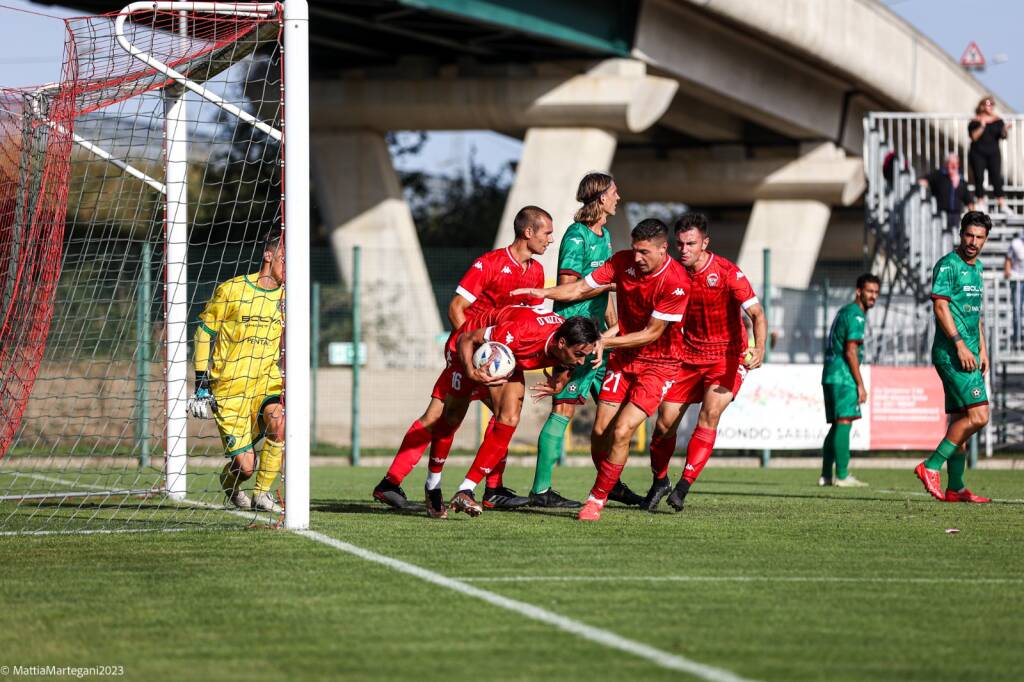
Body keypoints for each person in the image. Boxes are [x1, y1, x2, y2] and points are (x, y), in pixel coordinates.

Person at [372, 206, 552, 513]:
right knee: (469, 417)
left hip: (498, 356)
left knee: (456, 416)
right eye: (547, 232)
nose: (550, 239)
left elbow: (531, 316)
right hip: (468, 350)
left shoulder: (535, 272)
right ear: (528, 232)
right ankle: (484, 489)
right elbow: (457, 308)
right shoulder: (489, 263)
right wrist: (479, 348)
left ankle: (393, 482)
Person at [515, 219, 691, 522]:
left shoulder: (676, 281)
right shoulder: (622, 262)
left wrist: (603, 342)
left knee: (623, 431)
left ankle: (596, 498)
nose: (637, 258)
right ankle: (616, 485)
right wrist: (544, 293)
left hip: (659, 365)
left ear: (664, 249)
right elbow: (581, 288)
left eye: (645, 252)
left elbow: (651, 333)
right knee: (599, 433)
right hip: (624, 360)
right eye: (635, 250)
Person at [642, 213, 768, 512]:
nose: (684, 249)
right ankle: (661, 481)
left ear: (705, 243)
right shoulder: (673, 273)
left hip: (726, 356)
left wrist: (759, 347)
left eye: (691, 244)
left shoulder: (726, 272)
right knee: (663, 425)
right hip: (687, 357)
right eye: (680, 244)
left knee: (709, 415)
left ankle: (683, 486)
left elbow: (758, 315)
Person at [445, 309, 601, 517]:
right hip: (466, 348)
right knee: (443, 418)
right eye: (579, 355)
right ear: (561, 343)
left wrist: (560, 382)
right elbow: (466, 338)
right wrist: (471, 373)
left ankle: (471, 489)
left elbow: (567, 364)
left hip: (508, 358)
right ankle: (418, 484)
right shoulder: (521, 332)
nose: (581, 361)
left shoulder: (567, 343)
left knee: (508, 418)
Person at [530, 172, 619, 509]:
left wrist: (614, 325)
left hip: (601, 340)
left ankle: (612, 483)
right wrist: (607, 286)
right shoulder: (576, 235)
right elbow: (569, 284)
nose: (618, 198)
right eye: (614, 192)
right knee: (563, 409)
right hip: (578, 341)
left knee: (615, 412)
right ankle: (541, 491)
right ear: (600, 198)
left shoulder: (605, 235)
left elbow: (603, 287)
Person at [189, 228, 285, 513]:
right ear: (268, 255)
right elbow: (204, 333)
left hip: (265, 383)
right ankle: (230, 483)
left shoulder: (288, 298)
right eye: (285, 259)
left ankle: (262, 494)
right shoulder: (232, 290)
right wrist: (200, 382)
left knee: (279, 424)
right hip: (229, 390)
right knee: (245, 467)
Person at [914, 211, 992, 504]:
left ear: (985, 239)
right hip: (953, 354)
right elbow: (941, 308)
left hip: (970, 353)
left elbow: (975, 315)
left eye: (979, 237)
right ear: (960, 234)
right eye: (968, 235)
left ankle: (956, 488)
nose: (973, 242)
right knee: (979, 415)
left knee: (961, 419)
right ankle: (930, 466)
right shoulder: (948, 266)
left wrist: (982, 348)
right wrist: (960, 345)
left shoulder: (979, 268)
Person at [819, 273, 881, 488]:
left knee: (836, 425)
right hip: (843, 376)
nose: (873, 296)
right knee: (844, 421)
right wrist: (860, 384)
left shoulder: (843, 311)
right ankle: (843, 476)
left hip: (830, 374)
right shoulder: (856, 315)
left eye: (876, 292)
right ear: (858, 291)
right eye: (869, 291)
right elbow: (851, 351)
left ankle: (826, 475)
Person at [968, 96, 1010, 214]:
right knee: (979, 177)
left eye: (992, 104)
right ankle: (980, 202)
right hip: (978, 153)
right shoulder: (975, 121)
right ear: (982, 106)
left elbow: (1003, 136)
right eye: (988, 104)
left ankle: (1001, 203)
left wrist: (1005, 130)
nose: (990, 106)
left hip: (993, 153)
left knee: (996, 177)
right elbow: (973, 137)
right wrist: (982, 125)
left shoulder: (998, 120)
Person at [918, 154, 974, 230]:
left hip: (955, 214)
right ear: (946, 164)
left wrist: (973, 215)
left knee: (954, 235)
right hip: (941, 213)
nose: (954, 166)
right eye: (951, 163)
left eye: (956, 164)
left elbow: (968, 198)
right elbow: (924, 180)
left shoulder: (961, 179)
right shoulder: (939, 175)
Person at [1004, 231, 1024, 348]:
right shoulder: (1016, 243)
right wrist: (1007, 270)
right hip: (1017, 280)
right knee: (1017, 310)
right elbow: (1008, 259)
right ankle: (1017, 340)